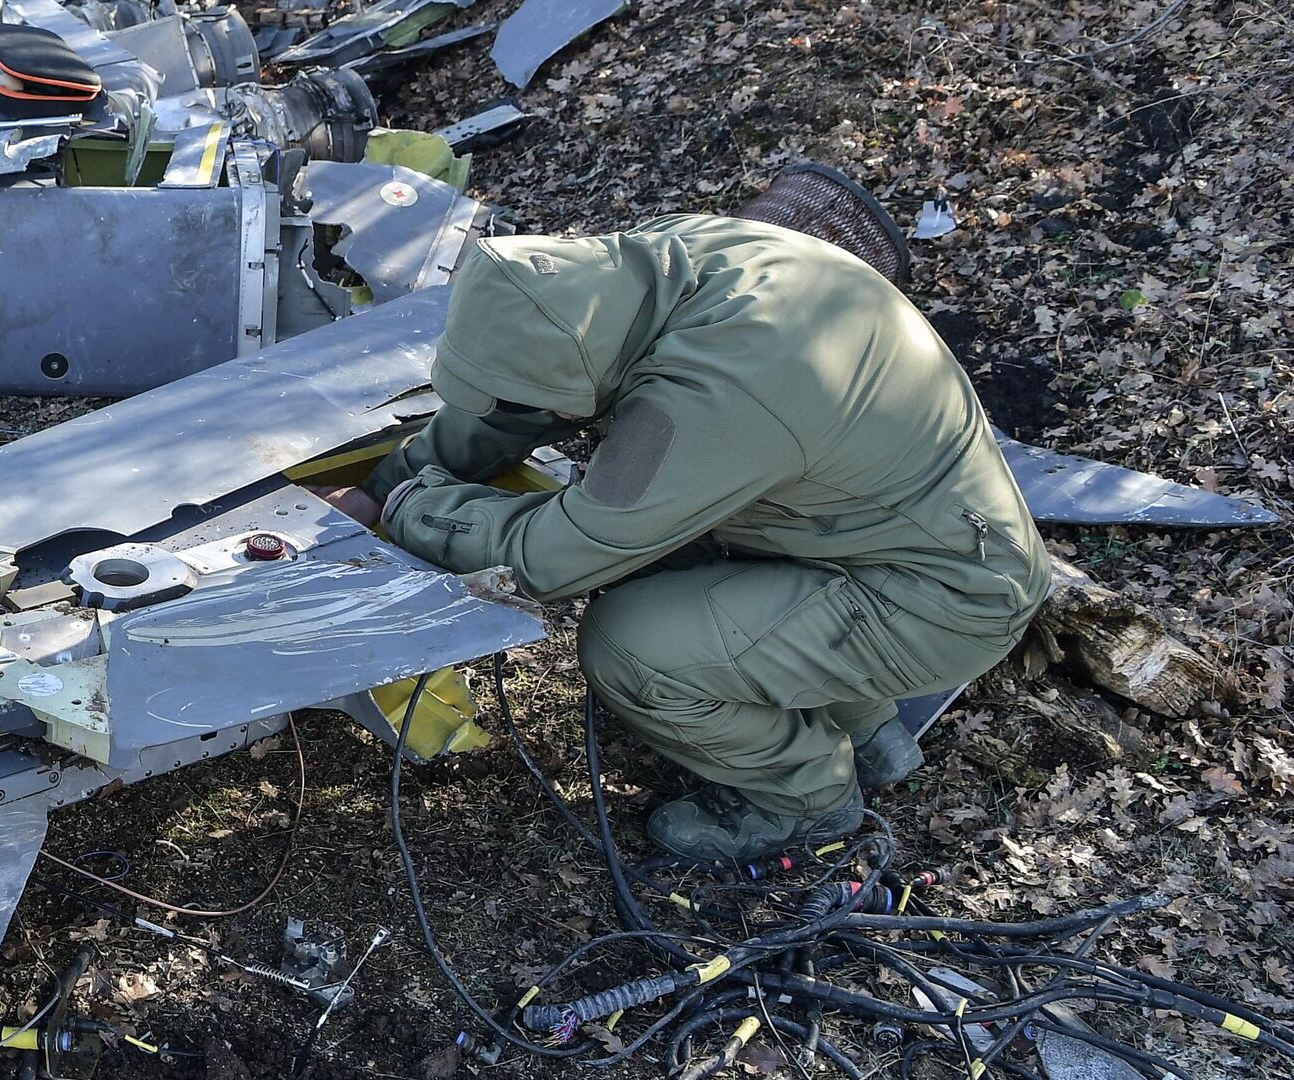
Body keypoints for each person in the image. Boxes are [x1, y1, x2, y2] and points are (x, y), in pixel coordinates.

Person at [313, 214, 1050, 864]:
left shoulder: (719, 396)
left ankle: (806, 801)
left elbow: (552, 559)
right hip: (873, 538)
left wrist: (406, 506)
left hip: (943, 600)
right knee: (662, 559)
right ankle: (872, 734)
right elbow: (515, 403)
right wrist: (388, 479)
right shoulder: (653, 270)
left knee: (631, 648)